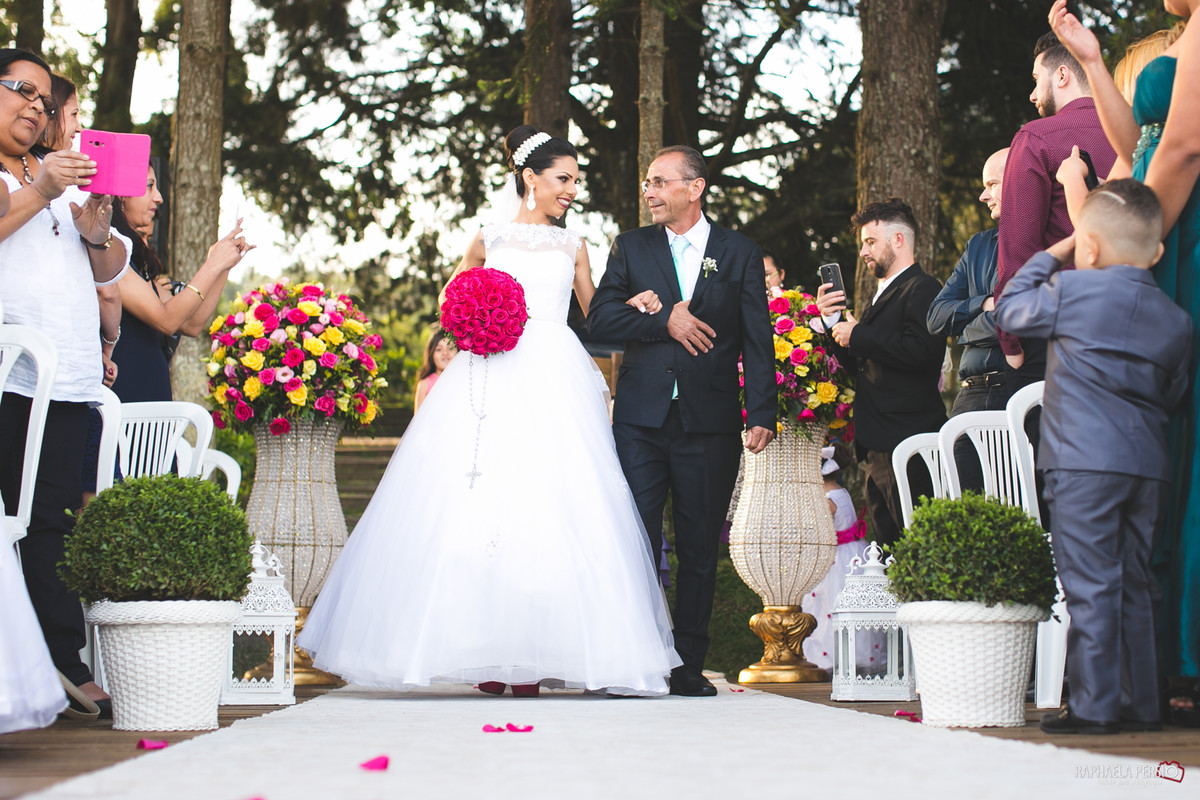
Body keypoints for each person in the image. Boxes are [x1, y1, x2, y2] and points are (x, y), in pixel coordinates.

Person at [296, 126, 679, 697]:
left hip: (551, 371)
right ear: (530, 177)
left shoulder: (572, 245)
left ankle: (540, 652)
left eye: (575, 181)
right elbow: (452, 299)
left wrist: (637, 304)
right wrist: (476, 318)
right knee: (475, 502)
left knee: (549, 502)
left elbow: (594, 313)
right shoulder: (487, 238)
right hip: (488, 371)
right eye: (563, 179)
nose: (572, 190)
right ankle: (485, 654)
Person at [1050, 0, 1200, 728]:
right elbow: (1142, 141)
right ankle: (1157, 672)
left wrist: (1127, 246)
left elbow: (1182, 153)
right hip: (1160, 232)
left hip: (1178, 237)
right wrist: (1091, 62)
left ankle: (1171, 666)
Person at [996, 179, 1191, 734]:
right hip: (1149, 466)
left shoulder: (1073, 293)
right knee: (1137, 579)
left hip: (1082, 462)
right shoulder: (1177, 320)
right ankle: (1143, 703)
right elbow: (1175, 393)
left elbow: (1011, 308)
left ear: (1091, 247)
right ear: (1155, 253)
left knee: (1092, 582)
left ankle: (1096, 707)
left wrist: (1056, 250)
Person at [588, 145, 776, 697]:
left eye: (660, 183)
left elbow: (757, 339)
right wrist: (660, 319)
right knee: (636, 540)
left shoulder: (738, 252)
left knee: (697, 546)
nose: (650, 193)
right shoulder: (631, 247)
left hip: (711, 421)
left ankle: (687, 664)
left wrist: (760, 410)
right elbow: (599, 320)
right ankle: (637, 658)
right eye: (648, 184)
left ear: (694, 188)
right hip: (640, 421)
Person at [0, 48, 131, 717]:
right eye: (23, 90)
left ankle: (52, 659)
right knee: (29, 521)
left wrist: (96, 226)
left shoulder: (52, 177)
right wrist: (43, 191)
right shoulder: (28, 179)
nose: (36, 106)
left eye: (45, 100)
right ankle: (59, 659)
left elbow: (108, 272)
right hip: (17, 378)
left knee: (51, 520)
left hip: (72, 377)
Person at [816, 198, 946, 548]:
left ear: (899, 240)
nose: (863, 252)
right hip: (876, 445)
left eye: (870, 242)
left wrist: (859, 334)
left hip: (909, 441)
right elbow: (862, 368)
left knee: (918, 544)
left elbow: (923, 352)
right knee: (891, 550)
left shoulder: (924, 288)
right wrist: (833, 326)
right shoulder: (880, 298)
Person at [992, 31, 1117, 387]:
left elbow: (1018, 248)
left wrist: (1011, 338)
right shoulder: (1133, 134)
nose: (1032, 95)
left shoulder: (1035, 137)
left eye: (1036, 80)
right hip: (1134, 318)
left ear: (1061, 75)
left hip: (1059, 332)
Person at [108, 164, 251, 403]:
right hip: (127, 397)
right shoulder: (111, 258)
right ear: (121, 195)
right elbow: (167, 321)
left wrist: (223, 266)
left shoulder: (139, 266)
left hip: (152, 394)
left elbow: (192, 324)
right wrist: (212, 265)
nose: (159, 197)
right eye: (149, 186)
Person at [926, 149, 1009, 492]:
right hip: (969, 397)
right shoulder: (977, 246)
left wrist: (968, 329)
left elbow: (1023, 320)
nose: (982, 195)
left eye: (992, 183)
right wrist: (986, 303)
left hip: (1019, 388)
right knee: (965, 503)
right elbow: (935, 317)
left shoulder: (1047, 240)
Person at [801, 444, 867, 671]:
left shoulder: (827, 501)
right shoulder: (841, 492)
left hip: (835, 559)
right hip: (851, 556)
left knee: (828, 606)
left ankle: (827, 658)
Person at [413, 326, 455, 413]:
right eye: (439, 349)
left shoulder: (463, 381)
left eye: (450, 348)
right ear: (431, 354)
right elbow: (418, 421)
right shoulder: (424, 385)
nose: (445, 353)